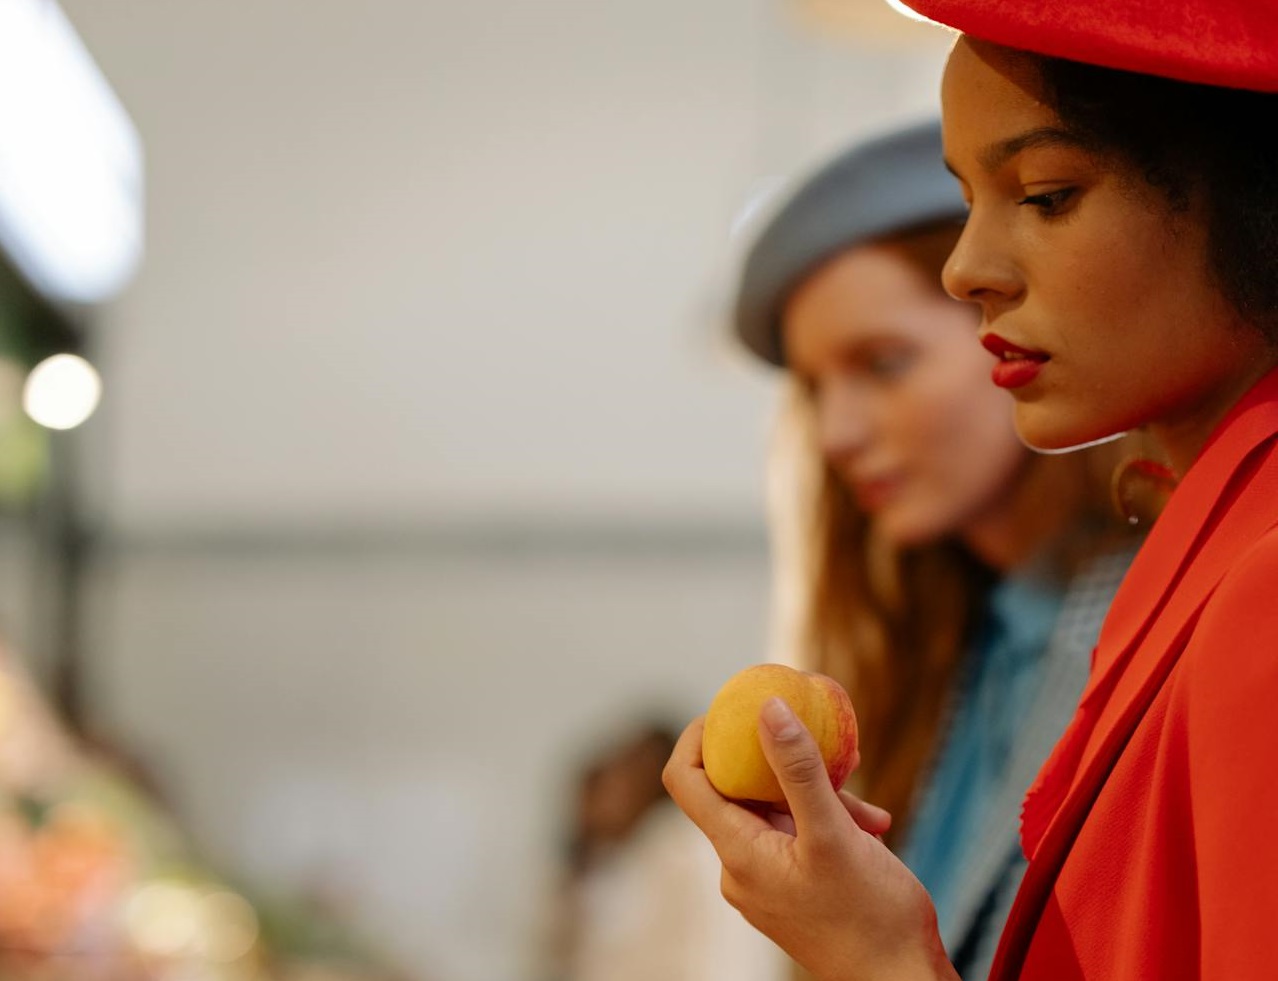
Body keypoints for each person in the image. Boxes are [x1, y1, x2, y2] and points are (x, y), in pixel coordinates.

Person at [663, 2, 1278, 979]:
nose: (967, 271)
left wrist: (876, 957)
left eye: (1046, 194)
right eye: (968, 201)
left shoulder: (1250, 585)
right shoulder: (988, 639)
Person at [732, 121, 1137, 979]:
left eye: (882, 364)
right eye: (815, 388)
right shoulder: (944, 658)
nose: (836, 433)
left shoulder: (1166, 629)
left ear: (1014, 331)